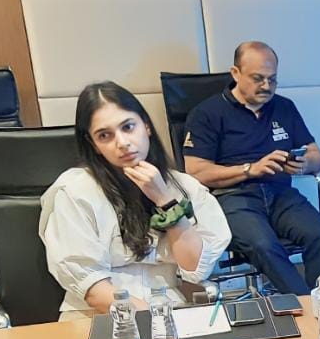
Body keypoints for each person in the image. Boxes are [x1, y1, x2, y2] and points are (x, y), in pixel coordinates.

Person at [41, 81, 232, 320]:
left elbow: (196, 268)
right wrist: (154, 322)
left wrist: (165, 200)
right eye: (105, 135)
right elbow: (92, 288)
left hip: (168, 308)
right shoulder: (74, 192)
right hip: (96, 316)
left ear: (146, 126)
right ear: (94, 145)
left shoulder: (185, 187)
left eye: (128, 127)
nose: (122, 143)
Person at [182, 40, 320, 295]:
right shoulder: (207, 113)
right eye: (258, 78)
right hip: (234, 197)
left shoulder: (284, 107)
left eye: (272, 80)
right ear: (235, 73)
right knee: (264, 244)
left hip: (281, 195)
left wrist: (304, 163)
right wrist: (250, 169)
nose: (266, 86)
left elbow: (316, 155)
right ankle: (305, 303)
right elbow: (196, 171)